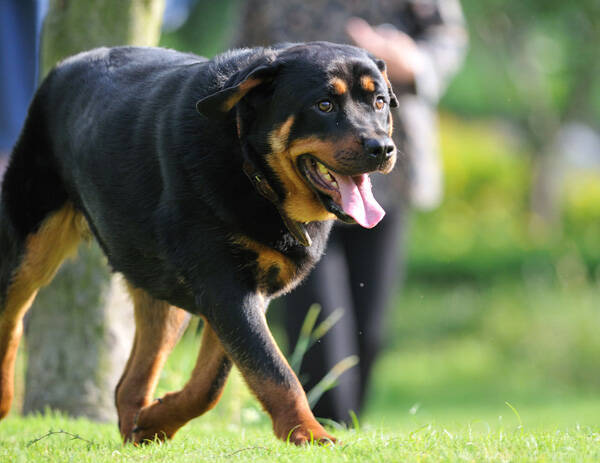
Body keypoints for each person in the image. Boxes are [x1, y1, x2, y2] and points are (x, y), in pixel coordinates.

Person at [234, 0, 468, 423]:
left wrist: (414, 63)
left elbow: (448, 36)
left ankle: (345, 434)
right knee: (320, 328)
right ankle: (321, 430)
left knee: (368, 332)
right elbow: (243, 52)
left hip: (384, 171)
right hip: (293, 172)